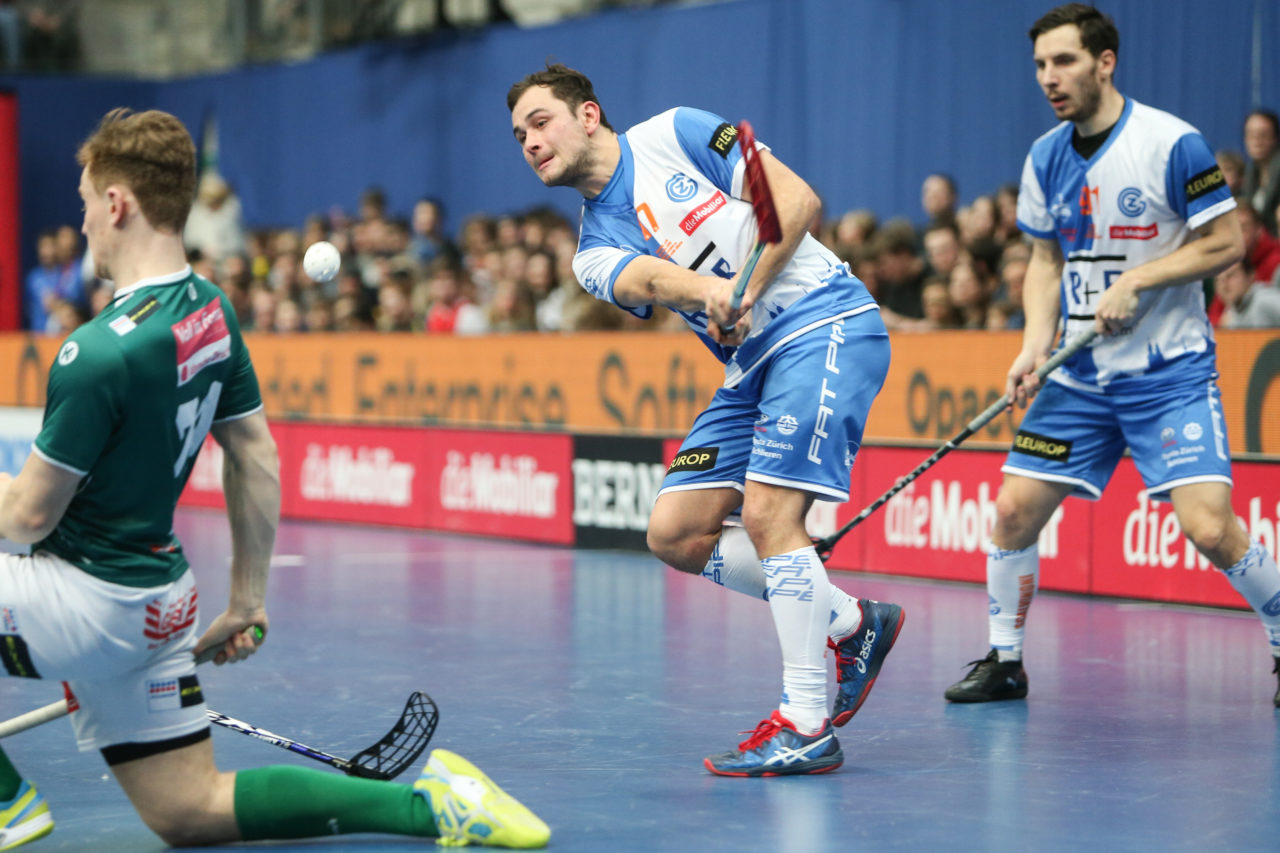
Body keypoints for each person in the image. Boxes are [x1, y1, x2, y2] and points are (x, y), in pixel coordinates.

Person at [0, 108, 549, 850]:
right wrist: (247, 598)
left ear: (118, 203)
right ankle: (433, 807)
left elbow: (27, 516)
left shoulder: (96, 352)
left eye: (86, 202)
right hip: (159, 603)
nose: (85, 221)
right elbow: (255, 455)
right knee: (188, 808)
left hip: (87, 603)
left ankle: (6, 801)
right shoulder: (209, 312)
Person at [509, 64, 905, 777]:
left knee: (770, 516)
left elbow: (796, 200)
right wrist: (709, 293)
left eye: (541, 122)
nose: (530, 142)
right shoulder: (591, 253)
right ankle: (852, 622)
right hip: (750, 366)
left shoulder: (676, 131)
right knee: (674, 531)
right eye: (519, 137)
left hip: (822, 320)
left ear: (588, 114)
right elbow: (650, 279)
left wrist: (744, 287)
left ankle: (805, 723)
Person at [944, 4, 1280, 708]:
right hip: (1079, 375)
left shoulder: (1172, 144)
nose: (1049, 77)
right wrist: (1033, 345)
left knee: (1209, 526)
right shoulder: (1045, 157)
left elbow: (1226, 243)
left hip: (1169, 372)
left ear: (1105, 62)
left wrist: (1141, 278)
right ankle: (1005, 659)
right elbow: (1044, 260)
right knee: (1013, 511)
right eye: (1040, 65)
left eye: (1063, 61)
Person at [1241, 109, 1280, 236]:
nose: (1256, 141)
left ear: (1275, 138)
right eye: (1251, 134)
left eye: (1263, 135)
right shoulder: (1250, 173)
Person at [1218, 256, 1280, 328]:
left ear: (1250, 276)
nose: (1224, 284)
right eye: (1218, 280)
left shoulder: (1265, 299)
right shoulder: (1229, 314)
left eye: (1230, 275)